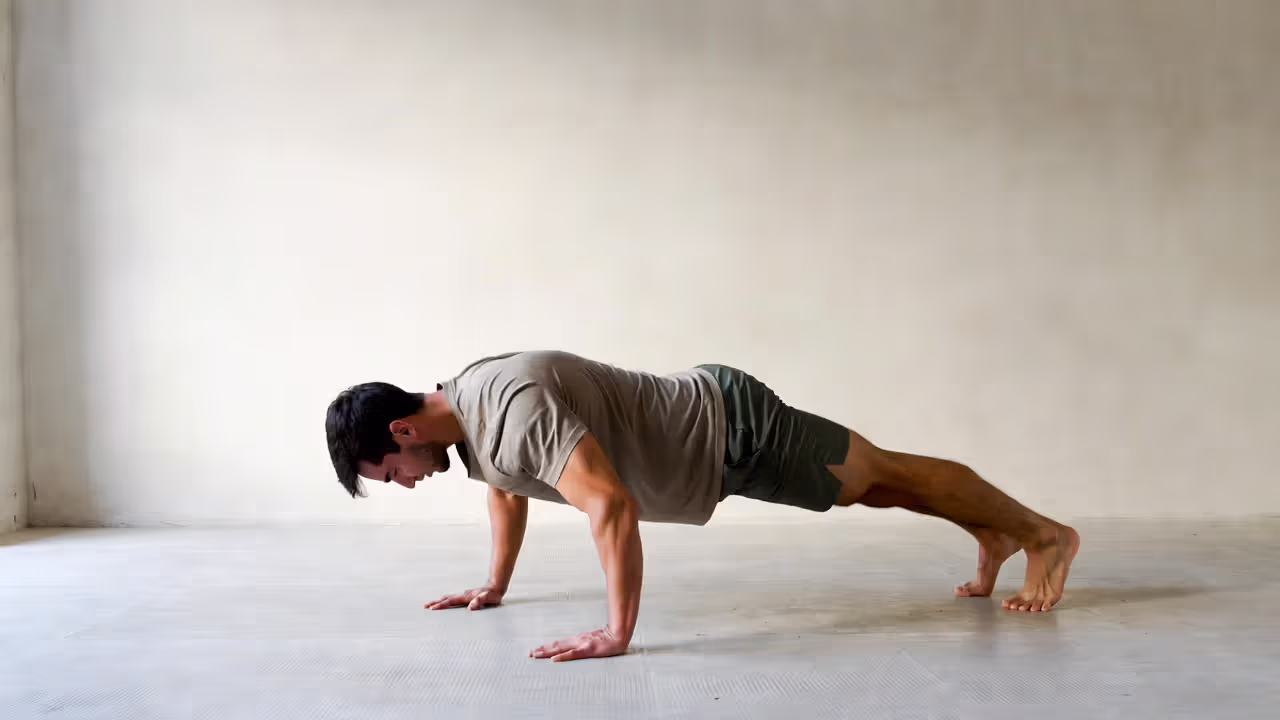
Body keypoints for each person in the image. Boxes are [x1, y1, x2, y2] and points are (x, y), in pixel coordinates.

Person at [325, 351, 1079, 662]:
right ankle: (994, 530)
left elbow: (609, 505)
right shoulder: (471, 418)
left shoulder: (510, 405)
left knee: (880, 471)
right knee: (874, 491)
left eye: (391, 473)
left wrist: (618, 633)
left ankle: (1044, 535)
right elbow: (506, 483)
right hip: (712, 455)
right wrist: (495, 584)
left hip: (730, 426)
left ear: (403, 431)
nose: (407, 483)